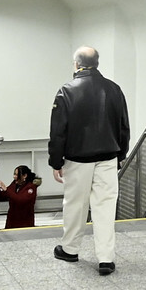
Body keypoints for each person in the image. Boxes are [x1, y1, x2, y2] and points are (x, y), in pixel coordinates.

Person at [48, 45, 130, 274]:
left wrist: (56, 161)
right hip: (108, 158)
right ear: (97, 63)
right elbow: (124, 126)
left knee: (75, 205)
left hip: (77, 159)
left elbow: (58, 131)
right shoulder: (114, 89)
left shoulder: (67, 90)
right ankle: (106, 258)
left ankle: (70, 249)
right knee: (105, 207)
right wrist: (121, 155)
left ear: (76, 64)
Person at [0, 165, 41, 229]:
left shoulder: (31, 188)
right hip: (11, 221)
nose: (14, 177)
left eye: (17, 175)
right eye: (14, 174)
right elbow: (5, 195)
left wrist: (6, 190)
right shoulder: (15, 184)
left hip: (24, 222)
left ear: (24, 176)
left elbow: (20, 200)